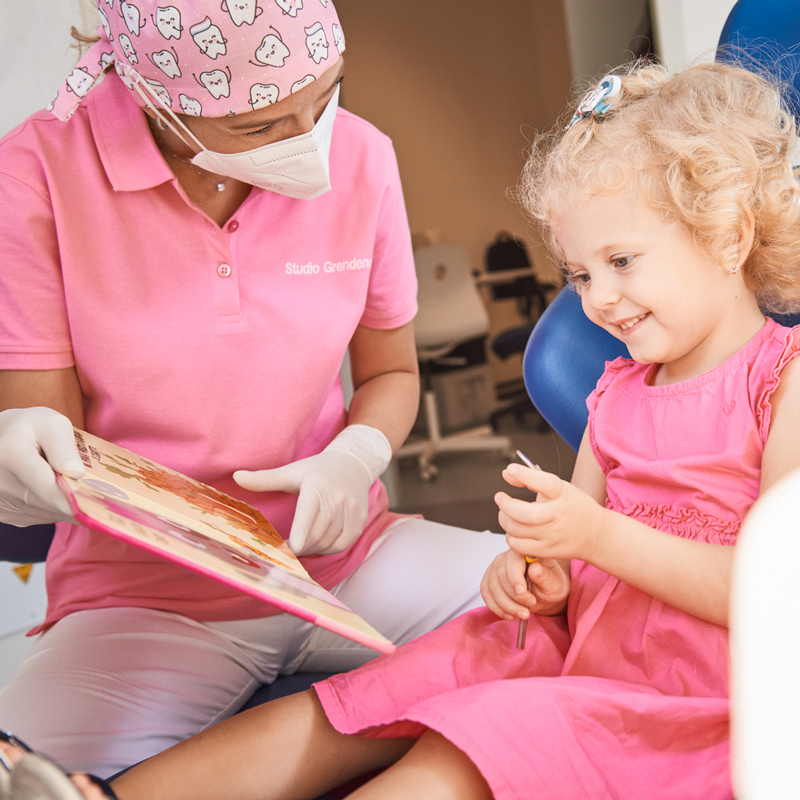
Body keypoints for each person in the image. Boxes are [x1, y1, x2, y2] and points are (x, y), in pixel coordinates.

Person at [80, 58, 799, 799]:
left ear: (729, 235)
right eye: (581, 275)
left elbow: (775, 594)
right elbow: (578, 569)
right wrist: (539, 578)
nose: (599, 300)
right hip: (586, 649)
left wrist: (592, 538)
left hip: (704, 693)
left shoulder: (783, 384)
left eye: (621, 261)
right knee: (371, 698)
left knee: (465, 750)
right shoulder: (617, 391)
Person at [0, 0, 508, 778]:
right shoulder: (37, 175)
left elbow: (392, 374)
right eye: (262, 127)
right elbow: (51, 431)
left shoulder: (364, 158)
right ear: (159, 100)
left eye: (326, 95)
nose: (310, 143)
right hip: (145, 602)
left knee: (590, 612)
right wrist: (27, 468)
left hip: (351, 567)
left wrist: (356, 454)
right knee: (21, 771)